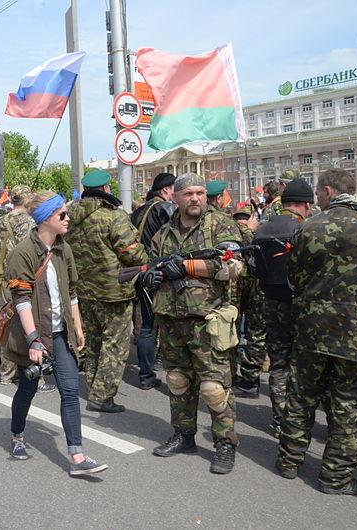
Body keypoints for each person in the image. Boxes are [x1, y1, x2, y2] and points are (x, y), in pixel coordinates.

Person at [4, 190, 106, 476]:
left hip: (61, 334)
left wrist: (77, 325)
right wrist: (33, 339)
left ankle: (77, 456)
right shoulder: (22, 252)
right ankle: (17, 434)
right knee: (28, 388)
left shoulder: (64, 249)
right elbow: (21, 299)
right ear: (45, 218)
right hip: (34, 334)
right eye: (62, 214)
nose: (67, 218)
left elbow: (71, 291)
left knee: (71, 390)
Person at [150, 173, 243, 475]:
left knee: (215, 388)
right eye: (188, 193)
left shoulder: (222, 225)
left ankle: (225, 444)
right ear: (175, 197)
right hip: (171, 319)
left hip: (208, 320)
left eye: (200, 193)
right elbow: (152, 264)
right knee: (178, 382)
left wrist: (188, 266)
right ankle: (183, 434)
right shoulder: (163, 233)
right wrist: (151, 277)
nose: (195, 199)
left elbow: (234, 266)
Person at [277, 169, 357, 495]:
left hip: (312, 329)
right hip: (354, 336)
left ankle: (288, 462)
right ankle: (334, 478)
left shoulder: (308, 227)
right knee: (346, 406)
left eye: (318, 193)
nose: (316, 199)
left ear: (328, 191)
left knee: (300, 398)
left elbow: (293, 277)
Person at [67, 170, 147, 413]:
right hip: (114, 292)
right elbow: (132, 253)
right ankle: (102, 396)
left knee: (92, 343)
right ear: (105, 189)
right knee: (115, 345)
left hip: (83, 290)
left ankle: (94, 387)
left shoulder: (70, 216)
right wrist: (145, 258)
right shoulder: (114, 217)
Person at [252, 178, 313, 437]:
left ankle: (279, 421)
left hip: (270, 301)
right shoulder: (304, 229)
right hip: (297, 305)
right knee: (301, 366)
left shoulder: (262, 228)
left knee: (278, 365)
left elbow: (253, 267)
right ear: (305, 205)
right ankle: (298, 422)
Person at [130, 172, 176, 388]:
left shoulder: (139, 210)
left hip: (139, 271)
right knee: (160, 324)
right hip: (160, 271)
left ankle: (146, 375)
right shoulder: (164, 208)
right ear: (166, 190)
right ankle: (161, 370)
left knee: (146, 324)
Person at [0, 186, 36, 386]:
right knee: (29, 321)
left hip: (3, 277)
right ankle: (30, 369)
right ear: (26, 200)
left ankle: (7, 373)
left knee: (6, 322)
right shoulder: (29, 221)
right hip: (24, 276)